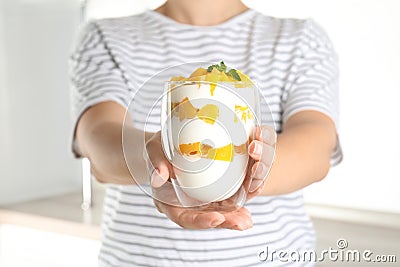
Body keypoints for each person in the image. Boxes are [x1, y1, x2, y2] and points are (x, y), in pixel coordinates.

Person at [70, 0, 342, 266]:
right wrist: (156, 159)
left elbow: (317, 143)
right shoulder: (105, 37)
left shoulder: (300, 39)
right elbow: (96, 136)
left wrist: (245, 176)